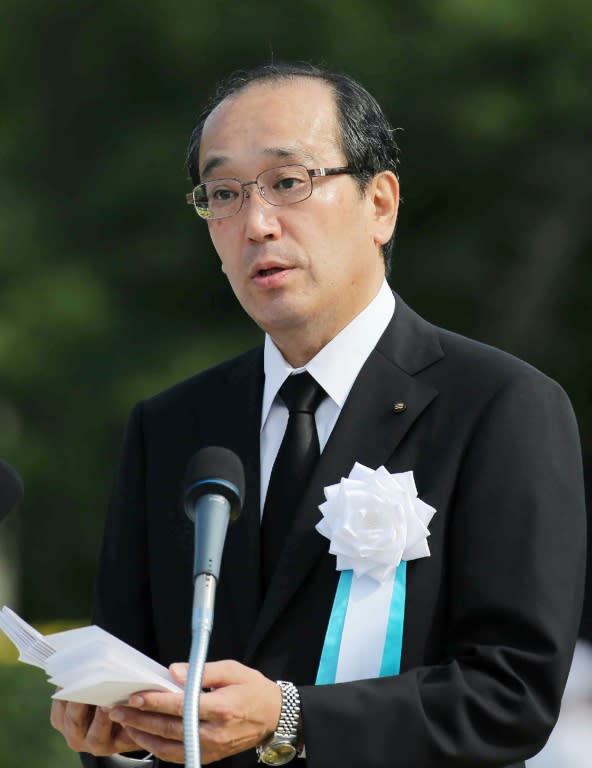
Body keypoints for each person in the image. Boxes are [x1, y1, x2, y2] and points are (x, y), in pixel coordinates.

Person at [50, 62, 586, 768]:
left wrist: (291, 716)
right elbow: (135, 668)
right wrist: (116, 741)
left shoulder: (499, 406)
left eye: (287, 183)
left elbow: (511, 697)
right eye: (224, 195)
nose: (256, 224)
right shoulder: (172, 426)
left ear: (380, 204)